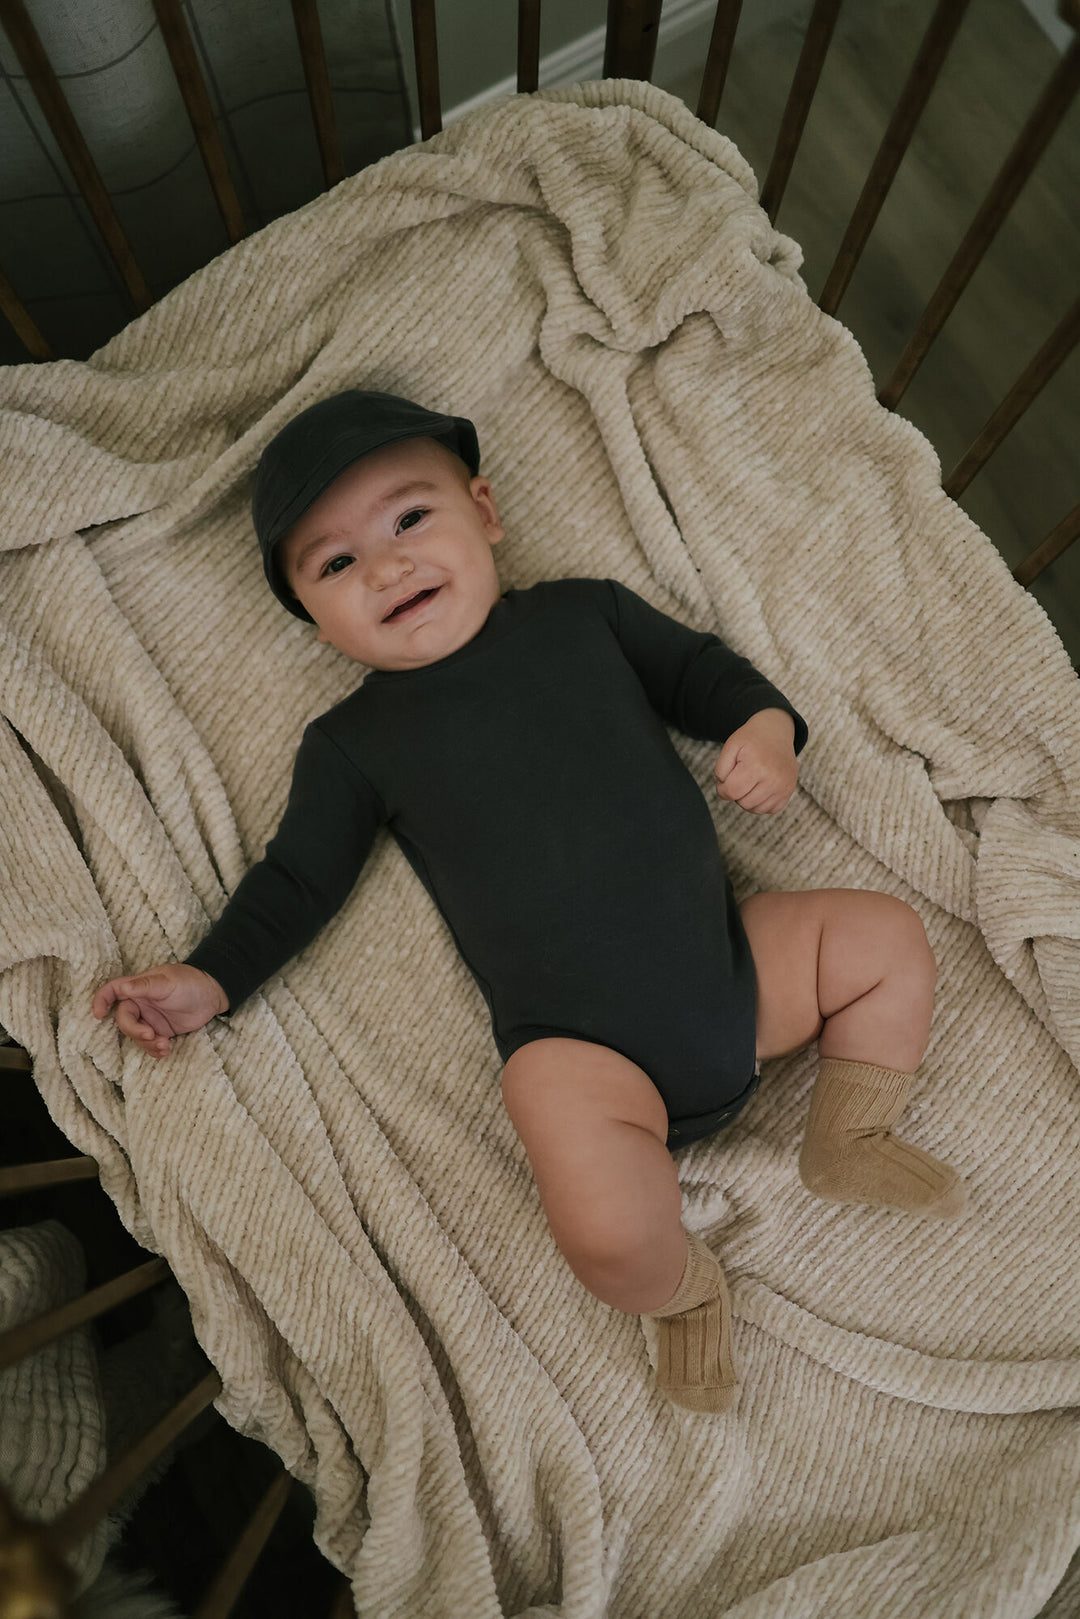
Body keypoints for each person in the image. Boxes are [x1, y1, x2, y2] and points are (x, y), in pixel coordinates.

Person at [91, 390, 967, 1416]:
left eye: (410, 519)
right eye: (335, 565)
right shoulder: (355, 743)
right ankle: (681, 1290)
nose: (385, 566)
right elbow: (295, 879)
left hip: (738, 966)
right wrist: (209, 978)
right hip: (589, 1058)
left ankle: (849, 1129)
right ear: (318, 624)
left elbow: (701, 674)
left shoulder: (584, 614)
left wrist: (766, 728)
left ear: (486, 512)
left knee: (884, 936)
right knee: (592, 1209)